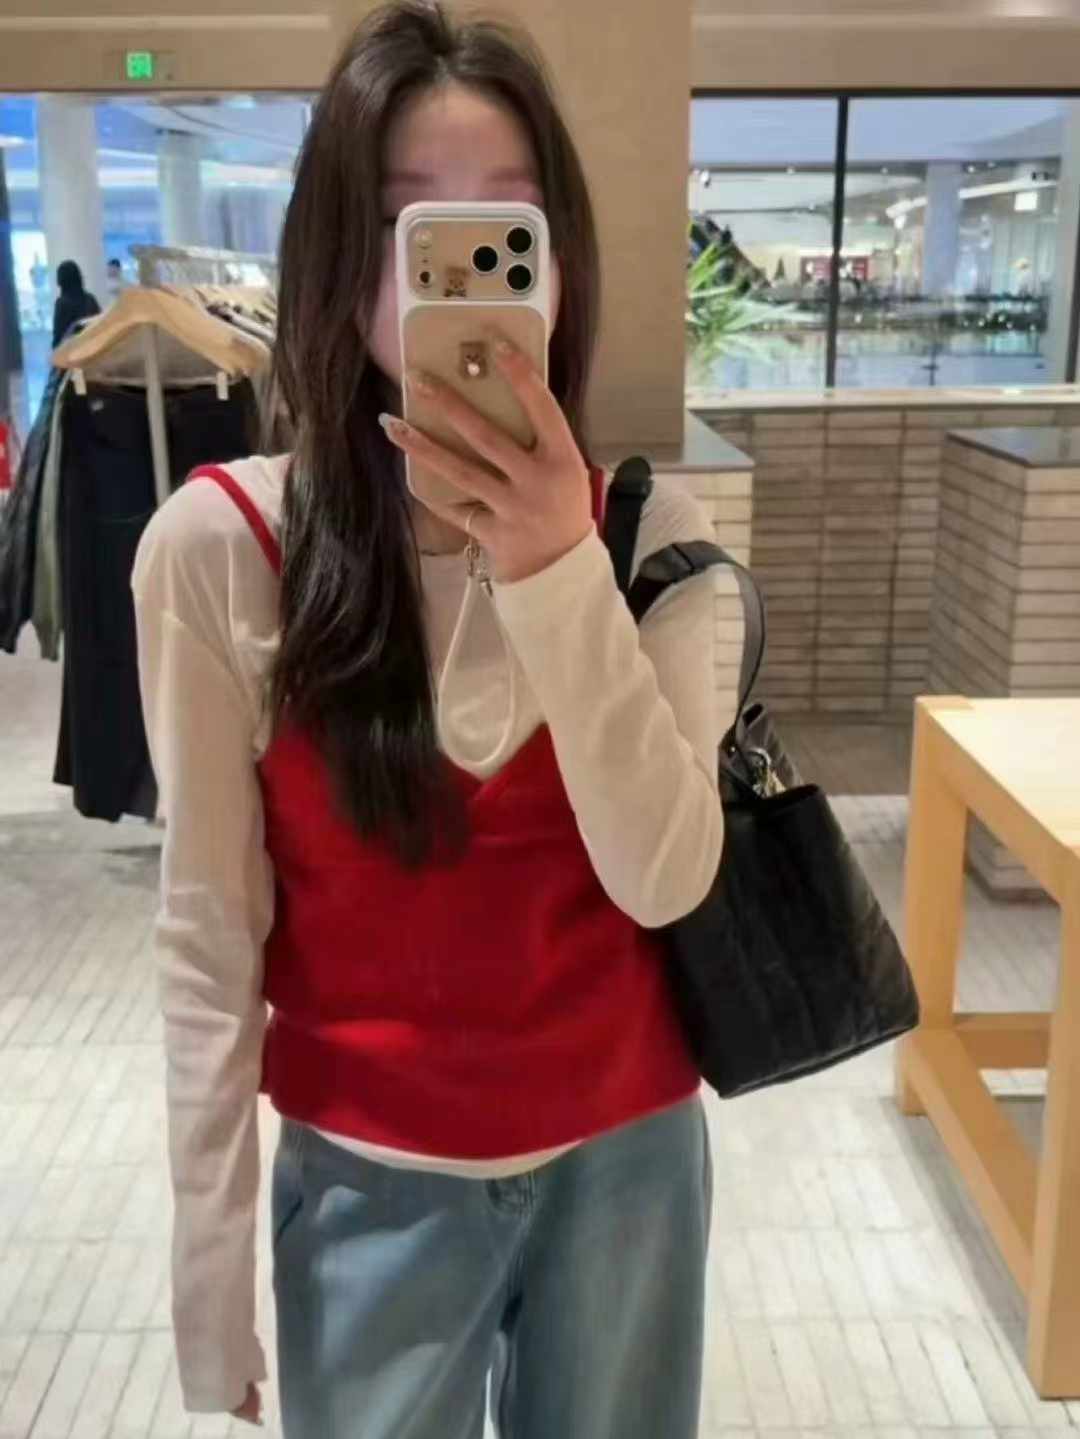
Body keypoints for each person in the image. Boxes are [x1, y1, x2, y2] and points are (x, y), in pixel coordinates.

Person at [132, 4, 726, 1436]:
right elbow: (208, 935)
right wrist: (208, 1261)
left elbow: (665, 877)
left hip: (630, 1165)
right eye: (413, 228)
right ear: (342, 267)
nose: (457, 270)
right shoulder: (223, 550)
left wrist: (557, 567)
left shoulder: (655, 542)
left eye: (505, 230)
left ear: (560, 268)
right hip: (365, 1178)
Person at [51, 260, 100, 349]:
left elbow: (58, 339)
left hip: (72, 353)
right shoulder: (90, 299)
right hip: (93, 350)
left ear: (61, 281)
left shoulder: (61, 303)